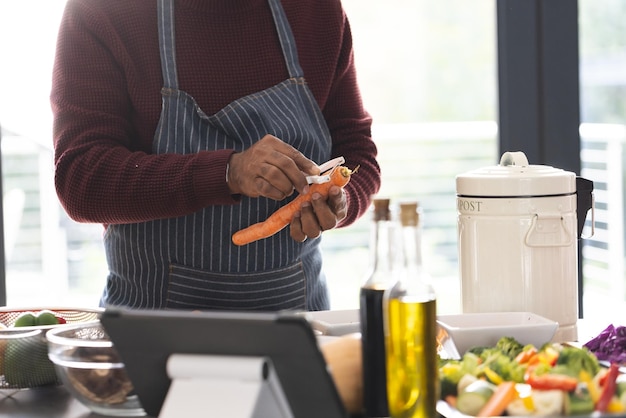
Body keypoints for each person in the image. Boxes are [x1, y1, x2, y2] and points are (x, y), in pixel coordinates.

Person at [51, 0, 381, 312]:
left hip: (300, 334)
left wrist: (340, 200)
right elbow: (80, 178)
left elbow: (357, 151)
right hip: (150, 339)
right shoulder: (101, 11)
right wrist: (228, 172)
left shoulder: (316, 10)